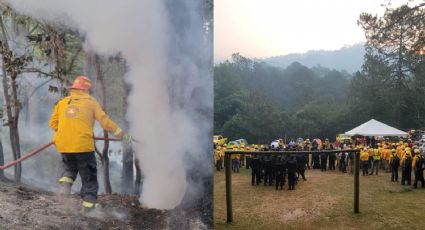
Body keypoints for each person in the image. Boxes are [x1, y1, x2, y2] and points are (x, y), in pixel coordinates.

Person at [49, 76, 131, 209]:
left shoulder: (62, 102)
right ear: (87, 90)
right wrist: (123, 134)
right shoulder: (91, 102)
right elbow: (105, 122)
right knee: (89, 176)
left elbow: (53, 124)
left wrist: (66, 131)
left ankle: (64, 190)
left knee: (70, 168)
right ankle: (89, 206)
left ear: (74, 89)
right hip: (83, 146)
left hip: (63, 145)